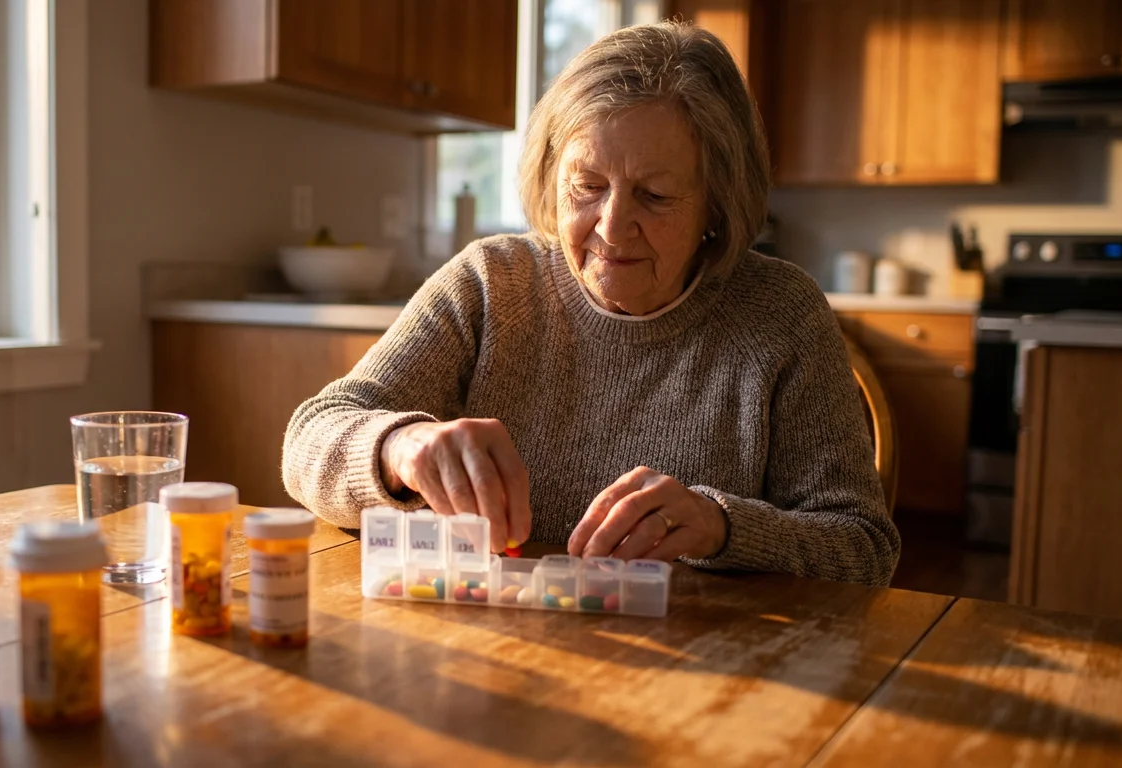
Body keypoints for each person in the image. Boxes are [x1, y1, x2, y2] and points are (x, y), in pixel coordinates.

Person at [283, 22, 900, 586]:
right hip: (490, 655)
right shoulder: (490, 282)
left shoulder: (780, 312)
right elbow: (309, 437)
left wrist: (723, 526)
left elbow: (864, 547)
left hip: (698, 675)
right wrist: (399, 448)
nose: (611, 227)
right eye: (587, 186)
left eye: (654, 195)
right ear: (553, 174)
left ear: (716, 203)